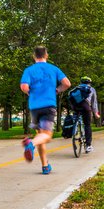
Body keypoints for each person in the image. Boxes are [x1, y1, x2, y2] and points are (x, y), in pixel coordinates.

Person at [20, 46, 71, 174]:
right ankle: (30, 144)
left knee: (40, 135)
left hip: (34, 107)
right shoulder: (53, 69)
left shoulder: (29, 70)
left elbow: (24, 86)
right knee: (46, 136)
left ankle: (45, 166)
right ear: (46, 55)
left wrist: (30, 93)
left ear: (34, 56)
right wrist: (57, 90)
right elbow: (67, 83)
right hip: (48, 105)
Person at [72, 77, 100, 152]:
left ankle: (75, 129)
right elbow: (94, 103)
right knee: (87, 125)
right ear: (89, 82)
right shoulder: (92, 89)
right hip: (86, 107)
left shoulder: (76, 88)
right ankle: (88, 145)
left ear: (81, 82)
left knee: (76, 119)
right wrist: (96, 113)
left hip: (75, 107)